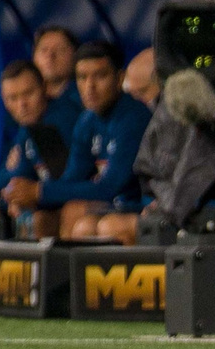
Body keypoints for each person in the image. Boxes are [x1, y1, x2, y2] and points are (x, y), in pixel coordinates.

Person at [40, 40, 150, 241]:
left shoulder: (134, 117)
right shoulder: (87, 120)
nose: (89, 86)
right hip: (112, 207)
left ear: (119, 78)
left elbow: (111, 186)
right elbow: (72, 178)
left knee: (97, 222)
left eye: (100, 76)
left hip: (143, 204)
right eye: (82, 77)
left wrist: (40, 192)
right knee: (62, 214)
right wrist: (31, 197)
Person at [0, 58, 69, 234]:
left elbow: (63, 185)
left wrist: (6, 198)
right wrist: (7, 196)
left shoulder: (58, 121)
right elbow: (11, 177)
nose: (22, 105)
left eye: (28, 94)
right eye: (13, 98)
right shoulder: (27, 127)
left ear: (44, 88)